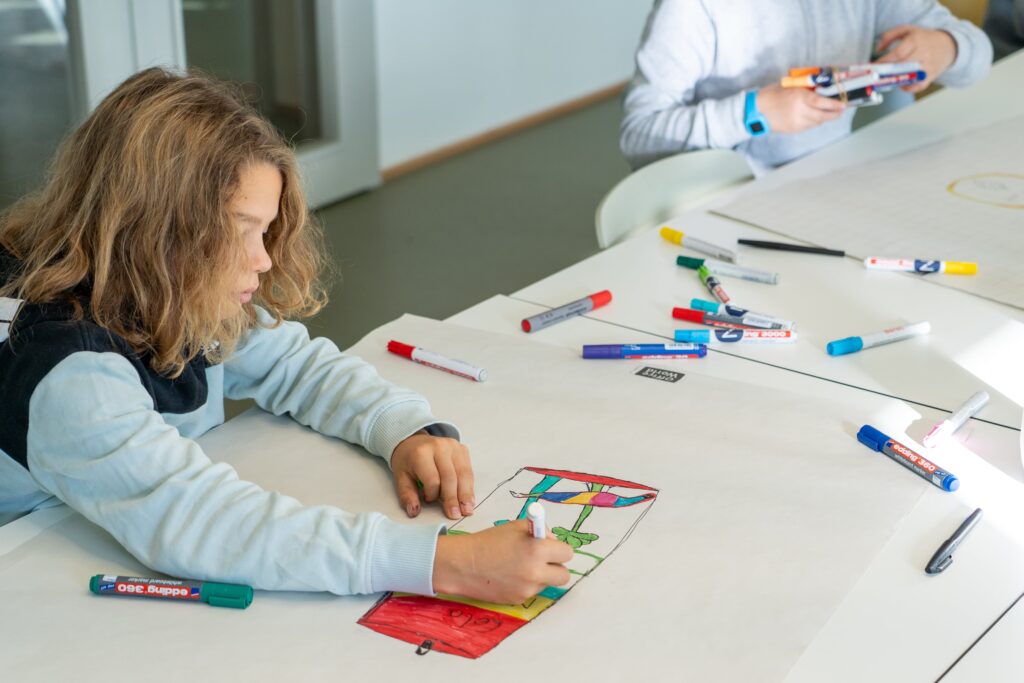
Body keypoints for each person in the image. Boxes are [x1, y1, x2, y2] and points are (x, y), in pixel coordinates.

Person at [0, 67, 572, 604]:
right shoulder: (70, 371)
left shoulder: (165, 281)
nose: (264, 261)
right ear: (152, 230)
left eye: (267, 230)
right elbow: (200, 523)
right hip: (34, 567)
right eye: (239, 232)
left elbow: (294, 365)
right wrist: (443, 563)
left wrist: (401, 427)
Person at [620, 0, 993, 175]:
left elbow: (978, 58)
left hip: (829, 181)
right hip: (723, 195)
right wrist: (754, 112)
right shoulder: (693, 8)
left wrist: (947, 47)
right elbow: (638, 137)